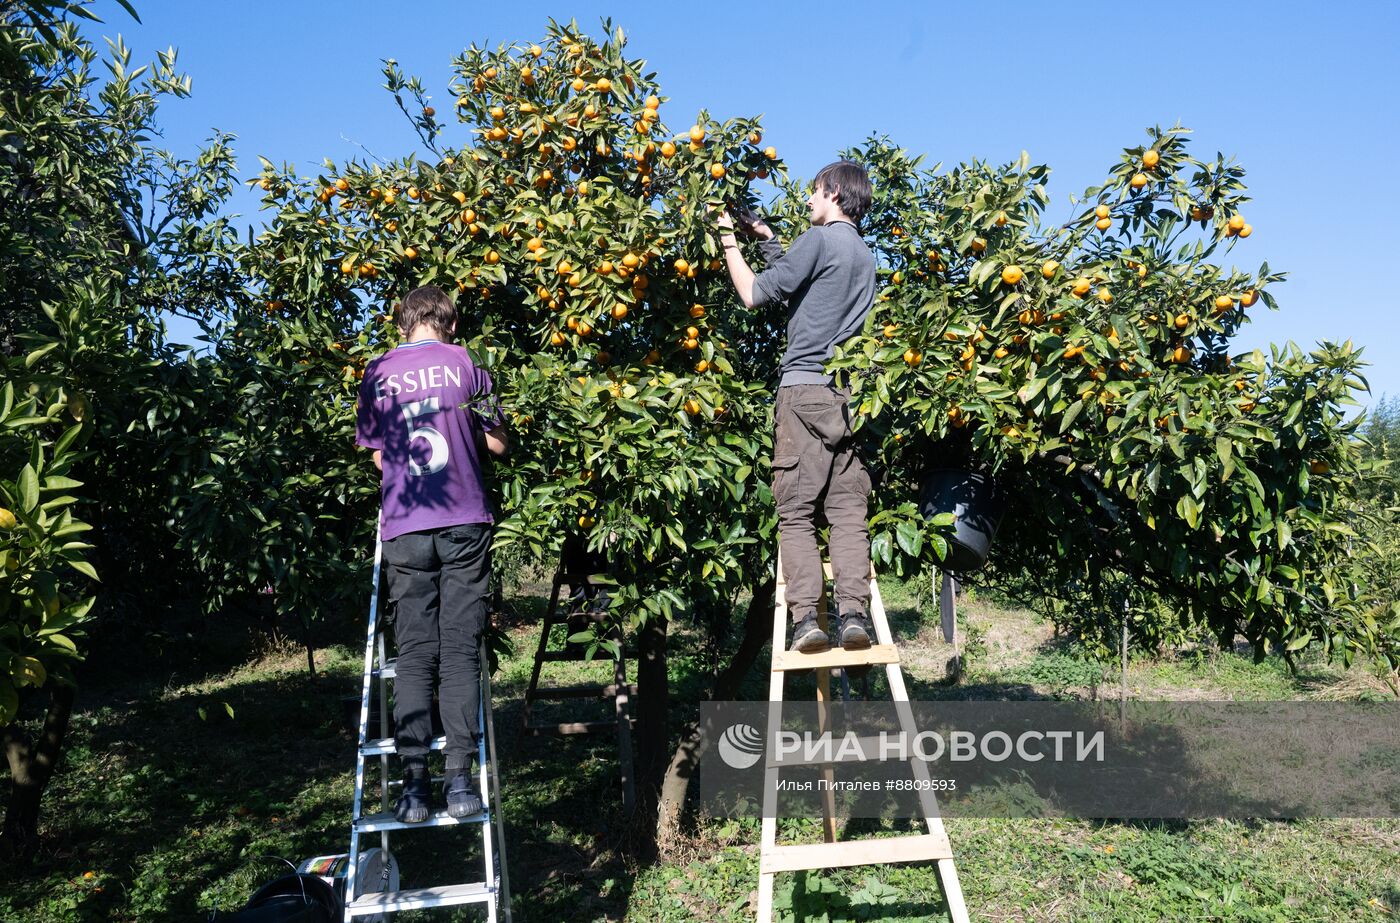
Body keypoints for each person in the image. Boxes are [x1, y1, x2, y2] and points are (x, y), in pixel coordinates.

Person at [355, 285, 509, 822]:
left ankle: (414, 785)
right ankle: (461, 781)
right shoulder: (470, 365)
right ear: (450, 320)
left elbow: (377, 458)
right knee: (462, 649)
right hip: (464, 519)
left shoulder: (377, 373)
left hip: (406, 525)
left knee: (416, 653)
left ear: (403, 323)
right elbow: (497, 443)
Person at [717, 161, 878, 655]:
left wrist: (728, 238)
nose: (808, 201)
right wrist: (766, 235)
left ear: (832, 192)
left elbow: (755, 294)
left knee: (796, 513)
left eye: (813, 193)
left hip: (802, 393)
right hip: (851, 398)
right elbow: (808, 292)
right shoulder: (865, 256)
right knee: (849, 511)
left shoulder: (819, 240)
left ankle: (806, 619)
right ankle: (854, 614)